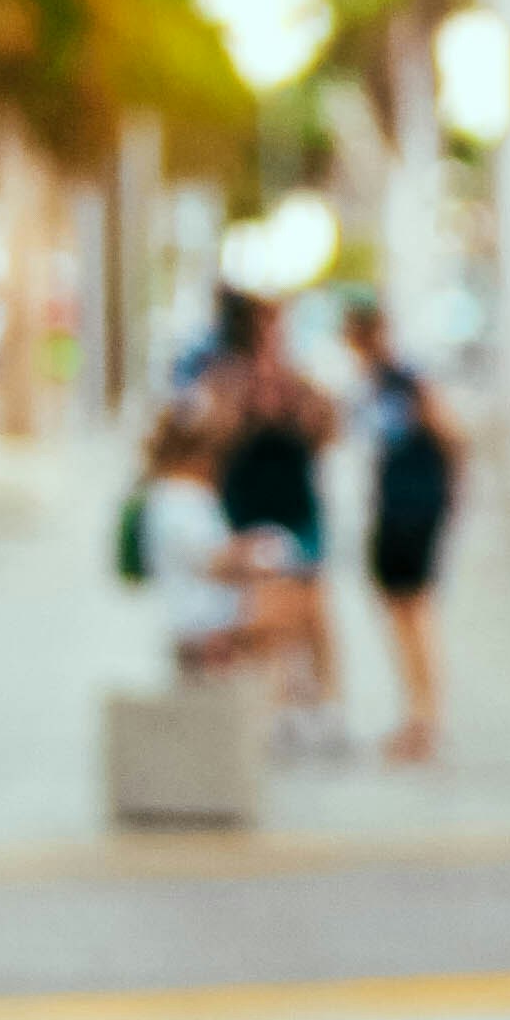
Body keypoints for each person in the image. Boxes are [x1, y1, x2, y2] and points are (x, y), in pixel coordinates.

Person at [339, 290, 466, 764]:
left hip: (414, 509)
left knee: (413, 612)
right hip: (391, 507)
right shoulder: (370, 384)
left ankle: (425, 716)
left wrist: (447, 501)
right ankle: (417, 714)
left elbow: (451, 437)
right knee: (399, 612)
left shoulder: (405, 381)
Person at [137, 395, 323, 699]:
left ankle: (288, 699)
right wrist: (259, 555)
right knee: (298, 605)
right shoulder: (180, 497)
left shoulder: (171, 494)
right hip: (200, 614)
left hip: (203, 605)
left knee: (290, 603)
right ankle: (292, 701)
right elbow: (214, 562)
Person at [216, 301, 339, 722]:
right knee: (272, 614)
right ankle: (283, 704)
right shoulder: (230, 390)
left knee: (313, 614)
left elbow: (325, 431)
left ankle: (319, 704)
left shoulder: (302, 394)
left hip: (297, 517)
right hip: (251, 518)